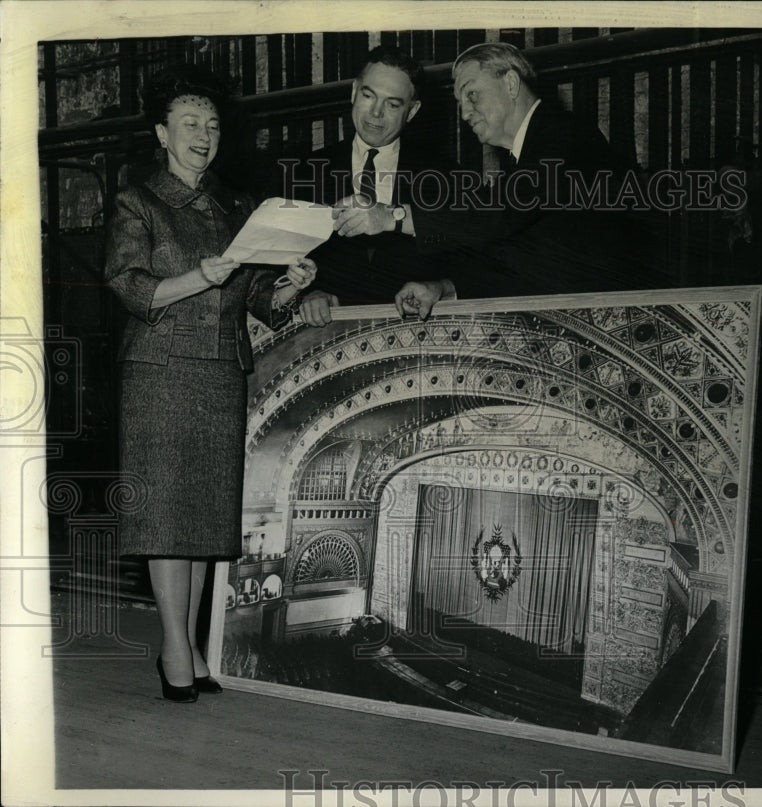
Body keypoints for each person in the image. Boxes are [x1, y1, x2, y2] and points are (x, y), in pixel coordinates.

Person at [104, 64, 316, 702]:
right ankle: (174, 648)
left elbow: (253, 293)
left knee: (201, 518)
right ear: (161, 134)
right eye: (190, 123)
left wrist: (291, 284)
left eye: (213, 124)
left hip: (221, 369)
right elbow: (129, 285)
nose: (204, 133)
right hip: (161, 370)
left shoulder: (234, 207)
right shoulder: (136, 200)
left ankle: (192, 646)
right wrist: (201, 276)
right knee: (168, 517)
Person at [332, 41, 659, 318]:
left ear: (511, 84)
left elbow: (496, 216)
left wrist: (391, 215)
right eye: (460, 103)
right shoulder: (530, 152)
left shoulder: (561, 137)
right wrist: (443, 288)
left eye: (472, 95)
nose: (464, 114)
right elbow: (516, 256)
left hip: (623, 319)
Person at [276, 46, 458, 327]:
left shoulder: (445, 175)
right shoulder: (303, 171)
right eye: (368, 95)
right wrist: (307, 293)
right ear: (353, 92)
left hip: (422, 338)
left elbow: (473, 261)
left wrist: (440, 287)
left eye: (393, 104)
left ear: (412, 111)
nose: (375, 113)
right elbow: (278, 265)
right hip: (329, 338)